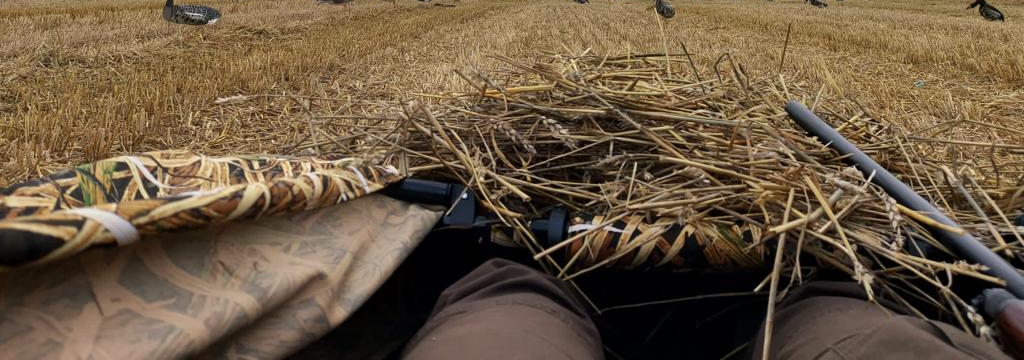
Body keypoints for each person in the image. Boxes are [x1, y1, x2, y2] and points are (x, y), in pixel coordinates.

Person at [402, 259, 1009, 360]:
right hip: (804, 305)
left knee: (506, 302)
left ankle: (526, 288)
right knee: (839, 319)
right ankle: (807, 302)